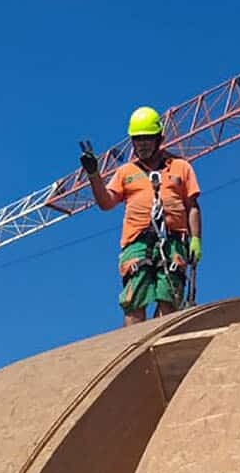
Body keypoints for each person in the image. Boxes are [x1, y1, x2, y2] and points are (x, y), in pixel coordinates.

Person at [80, 108, 202, 325]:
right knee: (134, 301)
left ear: (159, 139)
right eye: (137, 139)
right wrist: (93, 175)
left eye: (147, 138)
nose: (142, 144)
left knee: (170, 300)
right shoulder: (126, 172)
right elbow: (106, 203)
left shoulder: (180, 167)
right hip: (136, 243)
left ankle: (161, 350)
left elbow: (192, 206)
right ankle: (134, 347)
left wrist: (195, 239)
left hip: (173, 241)